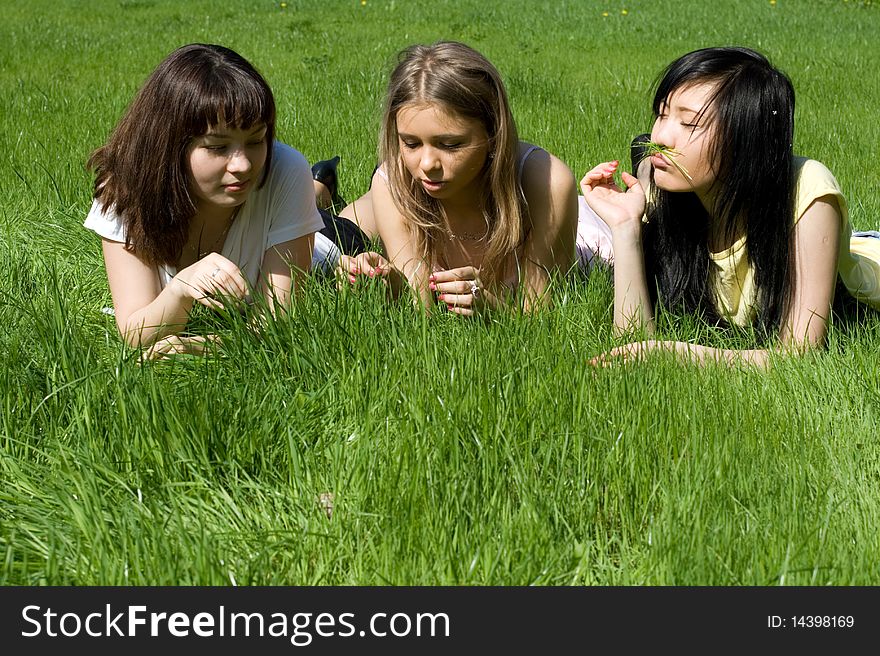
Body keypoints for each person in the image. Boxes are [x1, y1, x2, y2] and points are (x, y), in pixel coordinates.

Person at [581, 46, 880, 368]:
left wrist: (673, 354)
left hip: (863, 263)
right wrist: (626, 227)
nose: (662, 135)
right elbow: (631, 345)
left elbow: (800, 354)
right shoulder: (675, 197)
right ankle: (643, 165)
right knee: (651, 174)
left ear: (747, 138)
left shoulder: (806, 190)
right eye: (662, 114)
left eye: (689, 124)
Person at [331, 41, 612, 316]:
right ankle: (323, 188)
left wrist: (492, 309)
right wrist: (387, 282)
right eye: (411, 144)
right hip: (399, 193)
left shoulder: (546, 182)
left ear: (493, 134)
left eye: (451, 145)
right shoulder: (393, 181)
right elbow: (421, 307)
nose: (428, 164)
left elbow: (538, 313)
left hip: (585, 229)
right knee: (349, 221)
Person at [84, 43, 324, 357]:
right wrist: (181, 289)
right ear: (169, 145)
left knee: (342, 230)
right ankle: (321, 186)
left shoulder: (286, 169)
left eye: (256, 140)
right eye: (217, 147)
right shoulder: (125, 188)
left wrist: (195, 347)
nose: (243, 165)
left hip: (320, 246)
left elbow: (277, 325)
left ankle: (324, 185)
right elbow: (135, 331)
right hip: (292, 217)